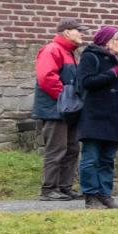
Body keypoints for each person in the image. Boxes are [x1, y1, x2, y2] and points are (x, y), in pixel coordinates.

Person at [32, 17, 84, 201]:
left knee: (72, 149)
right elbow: (46, 78)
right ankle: (49, 189)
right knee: (56, 149)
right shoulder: (52, 49)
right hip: (55, 110)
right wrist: (66, 98)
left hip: (68, 110)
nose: (82, 34)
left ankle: (64, 187)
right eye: (78, 30)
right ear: (67, 32)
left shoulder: (69, 53)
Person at [75, 25, 118, 209]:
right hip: (94, 116)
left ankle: (105, 195)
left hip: (112, 117)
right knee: (90, 159)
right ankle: (91, 196)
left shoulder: (115, 60)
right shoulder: (90, 56)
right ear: (107, 41)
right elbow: (86, 82)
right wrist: (111, 74)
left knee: (107, 159)